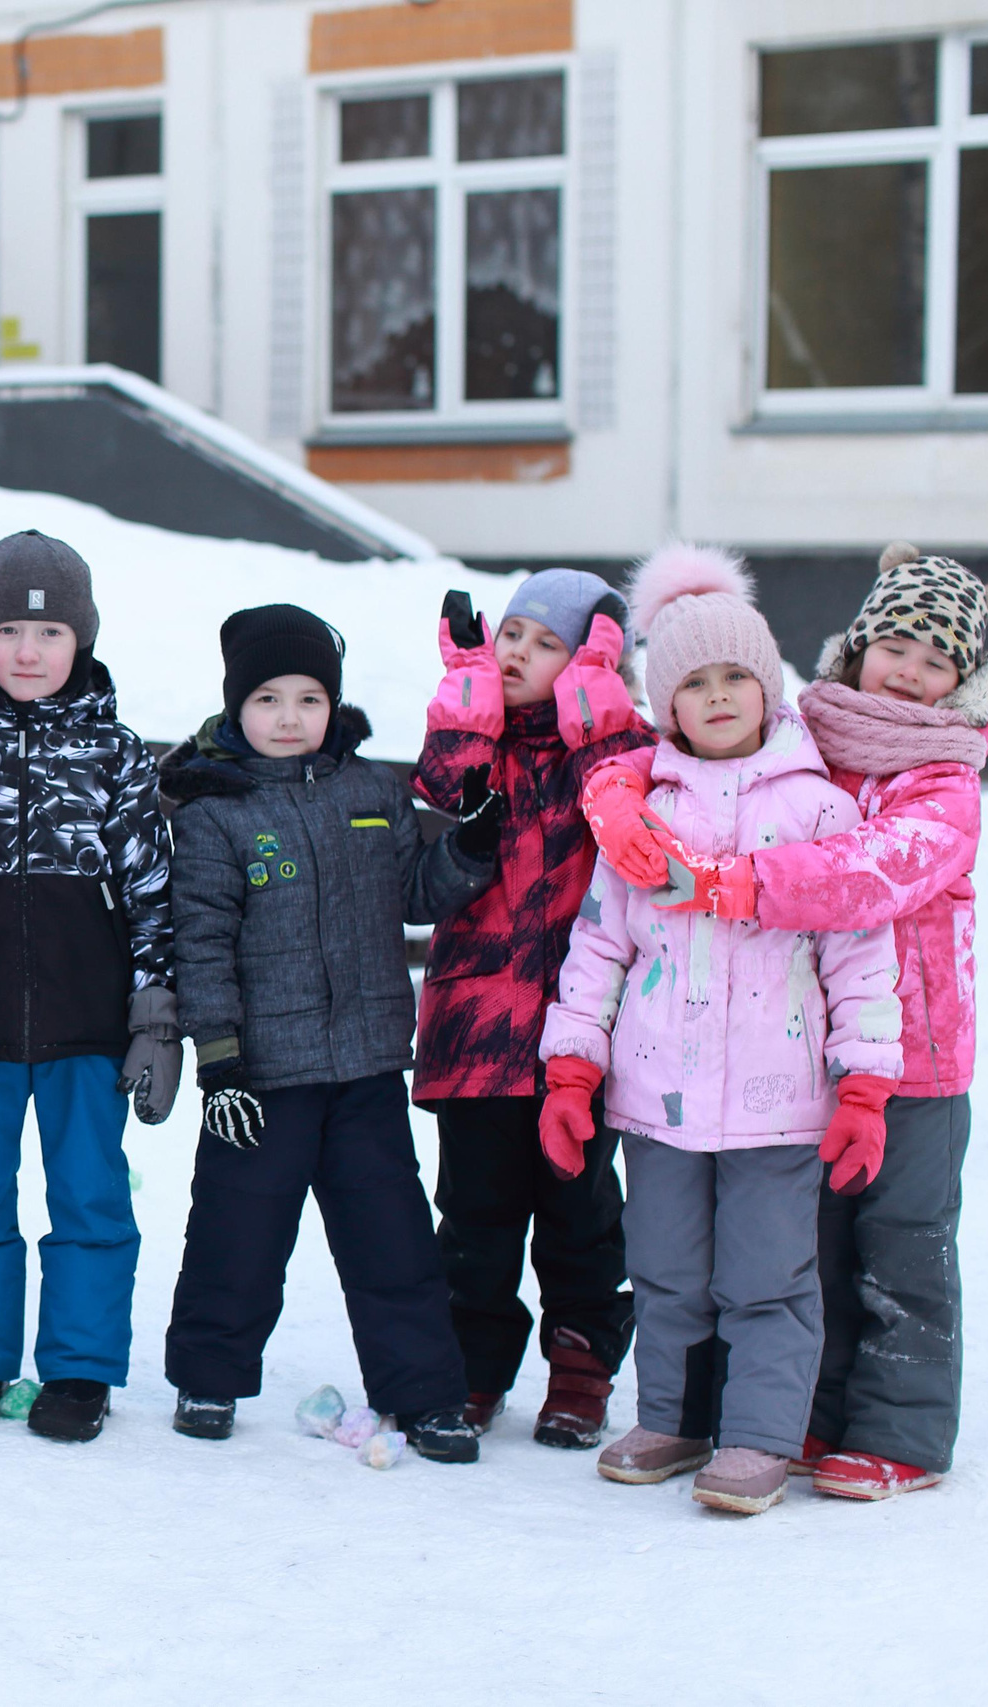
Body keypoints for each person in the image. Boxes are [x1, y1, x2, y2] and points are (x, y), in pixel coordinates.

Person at [578, 541, 988, 1501]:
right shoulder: (808, 733)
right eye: (895, 645)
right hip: (806, 1052)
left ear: (963, 681)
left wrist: (731, 884)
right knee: (817, 1238)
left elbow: (865, 878)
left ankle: (902, 1431)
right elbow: (670, 753)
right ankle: (806, 1412)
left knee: (904, 1243)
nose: (909, 670)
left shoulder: (942, 776)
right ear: (856, 647)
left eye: (938, 661)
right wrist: (618, 798)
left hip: (919, 1048)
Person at [540, 544, 902, 1516]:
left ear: (767, 685)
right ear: (665, 703)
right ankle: (669, 1416)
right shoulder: (641, 816)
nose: (715, 697)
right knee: (662, 1271)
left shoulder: (819, 808)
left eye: (734, 676)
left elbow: (861, 956)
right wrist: (572, 1070)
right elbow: (598, 949)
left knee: (768, 1278)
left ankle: (757, 1439)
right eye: (691, 683)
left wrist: (862, 1084)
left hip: (778, 1103)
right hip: (655, 1097)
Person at [159, 604, 498, 1462]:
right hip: (262, 1079)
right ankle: (209, 1375)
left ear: (331, 705)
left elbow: (413, 894)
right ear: (236, 705)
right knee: (237, 1233)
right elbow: (199, 942)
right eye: (268, 698)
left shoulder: (370, 792)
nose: (287, 717)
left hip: (365, 1066)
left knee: (393, 1239)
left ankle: (426, 1395)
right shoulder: (214, 812)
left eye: (308, 698)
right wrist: (220, 1061)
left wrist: (469, 851)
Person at [0, 531, 177, 1443]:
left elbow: (150, 893)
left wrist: (153, 1015)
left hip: (89, 1028)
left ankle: (80, 1367)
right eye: (12, 631)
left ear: (82, 641)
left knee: (91, 1198)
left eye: (52, 632)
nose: (30, 652)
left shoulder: (117, 755)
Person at [414, 572, 652, 1449]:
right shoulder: (480, 739)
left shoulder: (618, 749)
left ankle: (581, 1370)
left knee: (580, 1215)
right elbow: (446, 788)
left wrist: (596, 715)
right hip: (477, 1031)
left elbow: (626, 811)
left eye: (544, 642)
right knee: (474, 1216)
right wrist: (468, 702)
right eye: (510, 632)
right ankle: (472, 1369)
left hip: (579, 1038)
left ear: (591, 662)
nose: (516, 650)